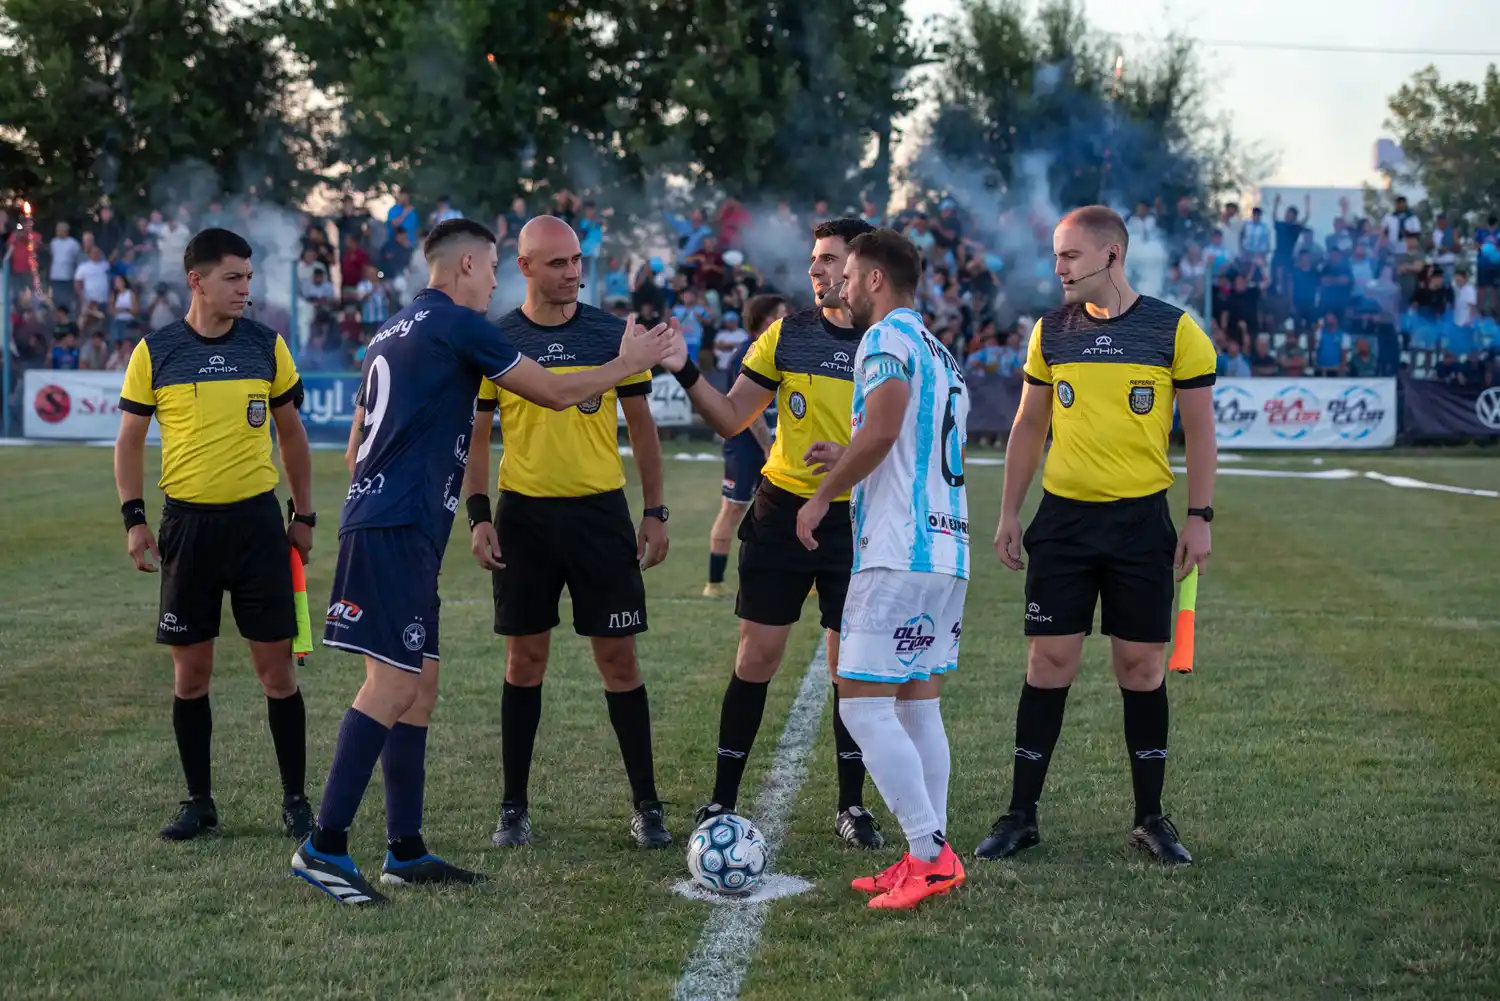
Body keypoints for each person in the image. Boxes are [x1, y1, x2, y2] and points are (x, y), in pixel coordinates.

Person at [293, 219, 670, 906]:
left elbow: (353, 452)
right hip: (398, 527)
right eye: (494, 267)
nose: (497, 280)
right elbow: (555, 393)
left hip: (395, 520)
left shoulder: (395, 329)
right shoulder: (459, 326)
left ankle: (403, 847)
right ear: (466, 265)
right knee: (387, 684)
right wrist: (631, 356)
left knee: (419, 685)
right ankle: (324, 845)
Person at [978, 205, 1216, 866]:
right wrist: (1008, 512)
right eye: (1056, 255)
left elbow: (1199, 430)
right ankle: (1020, 814)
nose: (1058, 269)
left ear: (1113, 255)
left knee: (1139, 669)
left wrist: (1200, 517)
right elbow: (1028, 426)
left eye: (1071, 256)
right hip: (1064, 523)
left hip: (1141, 524)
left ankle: (1150, 818)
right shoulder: (1050, 331)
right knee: (1048, 663)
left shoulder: (1175, 331)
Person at [660, 218, 881, 850]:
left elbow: (913, 440)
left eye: (830, 259)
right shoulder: (786, 335)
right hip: (781, 511)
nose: (816, 270)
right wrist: (683, 367)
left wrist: (849, 454)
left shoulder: (890, 342)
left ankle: (853, 805)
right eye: (813, 259)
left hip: (857, 519)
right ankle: (721, 798)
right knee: (756, 658)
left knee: (851, 669)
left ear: (863, 269)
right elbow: (732, 414)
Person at [464, 215, 673, 851]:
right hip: (524, 518)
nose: (573, 273)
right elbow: (476, 437)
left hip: (599, 516)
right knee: (524, 661)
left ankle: (647, 805)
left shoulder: (616, 336)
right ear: (524, 267)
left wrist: (655, 510)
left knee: (619, 658)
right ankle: (513, 807)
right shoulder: (496, 340)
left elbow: (641, 428)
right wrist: (478, 515)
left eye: (577, 260)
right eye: (557, 263)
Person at [113, 227, 317, 842]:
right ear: (197, 281)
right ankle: (199, 803)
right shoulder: (157, 351)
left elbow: (292, 436)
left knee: (277, 673)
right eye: (233, 278)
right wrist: (135, 518)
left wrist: (303, 515)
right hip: (188, 528)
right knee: (190, 676)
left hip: (257, 528)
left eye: (249, 278)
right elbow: (127, 442)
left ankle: (295, 801)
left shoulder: (266, 346)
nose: (245, 290)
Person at [791, 227, 970, 910]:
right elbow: (909, 436)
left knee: (862, 703)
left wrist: (822, 495)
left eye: (848, 274)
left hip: (898, 550)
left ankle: (928, 853)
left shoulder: (883, 338)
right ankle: (931, 849)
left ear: (873, 279)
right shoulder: (938, 348)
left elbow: (887, 427)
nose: (837, 285)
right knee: (916, 701)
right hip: (945, 548)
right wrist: (851, 448)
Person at [703, 294, 788, 598]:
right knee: (734, 508)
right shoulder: (749, 353)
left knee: (787, 509)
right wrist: (767, 446)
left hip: (769, 446)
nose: (786, 318)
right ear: (766, 320)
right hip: (745, 447)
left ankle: (800, 579)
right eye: (781, 314)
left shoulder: (777, 350)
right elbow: (749, 412)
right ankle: (714, 582)